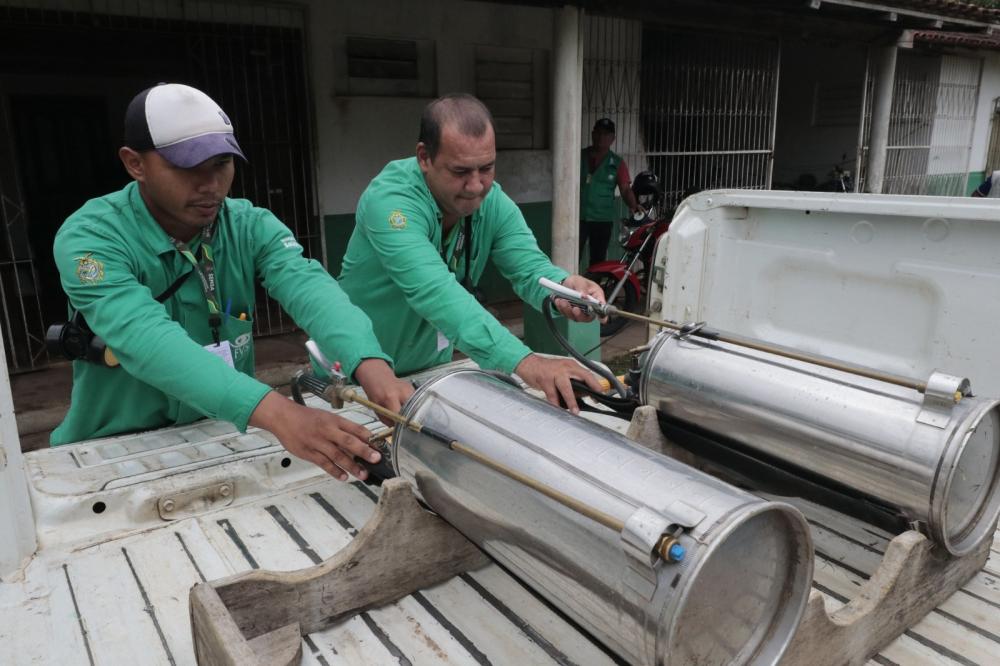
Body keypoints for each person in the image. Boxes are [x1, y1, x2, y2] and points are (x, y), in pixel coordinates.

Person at [51, 83, 413, 482]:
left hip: (225, 434)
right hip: (115, 454)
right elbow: (146, 339)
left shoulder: (249, 225)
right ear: (135, 163)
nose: (211, 185)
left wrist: (371, 363)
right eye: (188, 168)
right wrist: (282, 414)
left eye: (222, 164)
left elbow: (313, 290)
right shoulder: (91, 239)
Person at [338, 93, 605, 412]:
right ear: (424, 157)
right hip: (353, 379)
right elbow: (436, 292)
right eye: (461, 171)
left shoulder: (492, 202)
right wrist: (528, 363)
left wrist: (564, 289)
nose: (477, 186)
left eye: (487, 168)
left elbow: (529, 267)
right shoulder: (390, 201)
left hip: (429, 372)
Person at [579, 117, 640, 266]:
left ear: (612, 139)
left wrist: (634, 205)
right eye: (598, 133)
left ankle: (593, 288)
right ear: (592, 134)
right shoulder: (579, 156)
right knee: (572, 256)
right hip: (578, 218)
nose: (601, 137)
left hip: (602, 220)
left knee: (598, 261)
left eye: (606, 134)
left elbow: (625, 189)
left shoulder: (617, 163)